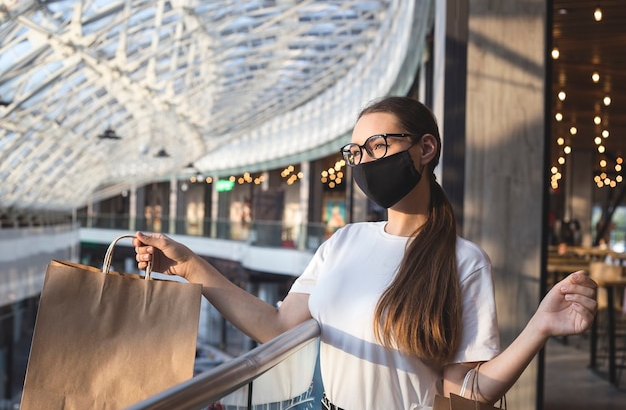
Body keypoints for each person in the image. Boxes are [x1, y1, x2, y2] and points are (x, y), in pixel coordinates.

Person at [133, 96, 597, 410]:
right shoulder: (342, 241)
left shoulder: (462, 260)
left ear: (425, 148)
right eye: (355, 152)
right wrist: (191, 266)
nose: (365, 161)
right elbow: (276, 328)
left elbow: (466, 392)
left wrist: (539, 328)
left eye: (378, 145)